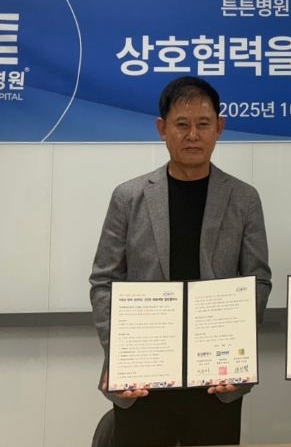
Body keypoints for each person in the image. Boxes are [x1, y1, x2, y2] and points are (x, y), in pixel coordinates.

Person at [89, 76, 272, 446]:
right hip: (143, 377)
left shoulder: (243, 198)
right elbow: (104, 282)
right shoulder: (128, 197)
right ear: (162, 128)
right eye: (182, 124)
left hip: (216, 379)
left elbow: (258, 280)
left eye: (203, 124)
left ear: (219, 128)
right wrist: (120, 354)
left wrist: (237, 353)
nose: (192, 135)